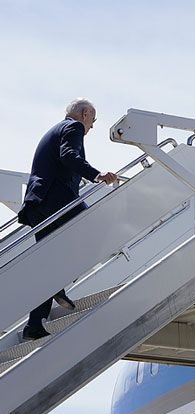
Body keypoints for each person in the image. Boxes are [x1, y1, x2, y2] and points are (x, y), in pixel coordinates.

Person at [17, 98, 117, 340]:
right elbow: (68, 156)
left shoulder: (54, 131)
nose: (91, 127)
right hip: (56, 200)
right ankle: (61, 281)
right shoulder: (72, 128)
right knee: (92, 225)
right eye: (92, 121)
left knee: (49, 263)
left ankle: (34, 324)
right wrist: (97, 175)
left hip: (39, 202)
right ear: (84, 114)